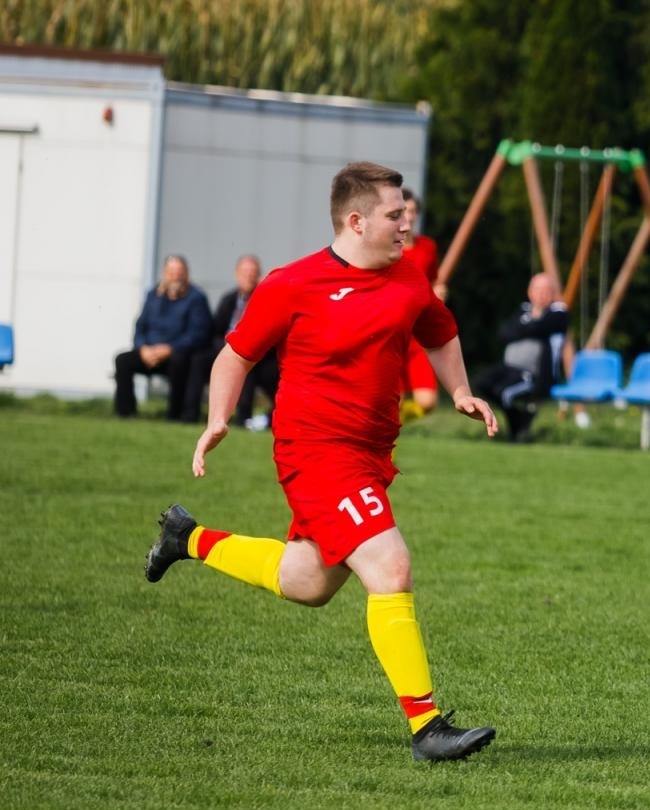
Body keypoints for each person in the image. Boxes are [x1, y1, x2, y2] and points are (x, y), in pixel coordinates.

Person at [143, 161, 499, 762]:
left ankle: (187, 538)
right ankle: (427, 727)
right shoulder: (293, 284)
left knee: (307, 582)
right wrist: (217, 420)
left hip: (370, 455)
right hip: (315, 453)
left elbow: (439, 331)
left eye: (406, 212)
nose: (406, 223)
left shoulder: (408, 277)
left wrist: (460, 391)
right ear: (356, 221)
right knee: (390, 565)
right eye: (395, 214)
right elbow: (234, 357)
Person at [181, 254, 279, 426]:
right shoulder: (229, 299)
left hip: (255, 352)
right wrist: (227, 347)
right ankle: (190, 414)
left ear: (258, 275)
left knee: (247, 365)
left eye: (252, 272)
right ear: (237, 274)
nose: (248, 276)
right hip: (227, 348)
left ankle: (243, 418)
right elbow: (217, 330)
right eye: (244, 272)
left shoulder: (267, 297)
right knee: (198, 360)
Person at [112, 254, 212, 420]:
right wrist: (142, 348)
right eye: (172, 273)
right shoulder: (153, 296)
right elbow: (140, 326)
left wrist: (169, 349)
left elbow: (198, 334)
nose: (176, 277)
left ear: (186, 273)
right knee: (122, 360)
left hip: (175, 354)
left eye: (179, 273)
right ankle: (125, 413)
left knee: (180, 362)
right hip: (149, 352)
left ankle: (174, 414)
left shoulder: (196, 298)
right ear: (165, 273)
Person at [474, 272, 570, 443]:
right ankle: (519, 420)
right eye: (537, 289)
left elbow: (538, 327)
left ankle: (516, 431)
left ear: (553, 293)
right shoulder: (523, 310)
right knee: (482, 382)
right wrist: (526, 326)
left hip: (535, 374)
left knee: (504, 393)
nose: (541, 294)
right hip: (509, 368)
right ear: (529, 291)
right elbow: (503, 333)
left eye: (545, 290)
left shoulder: (558, 314)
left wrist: (523, 327)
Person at [398, 188, 444, 421]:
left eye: (414, 211)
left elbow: (435, 281)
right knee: (389, 400)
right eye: (405, 210)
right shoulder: (388, 249)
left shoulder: (427, 247)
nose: (410, 216)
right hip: (394, 330)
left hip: (418, 335)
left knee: (427, 401)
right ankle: (386, 454)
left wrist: (438, 293)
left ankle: (398, 421)